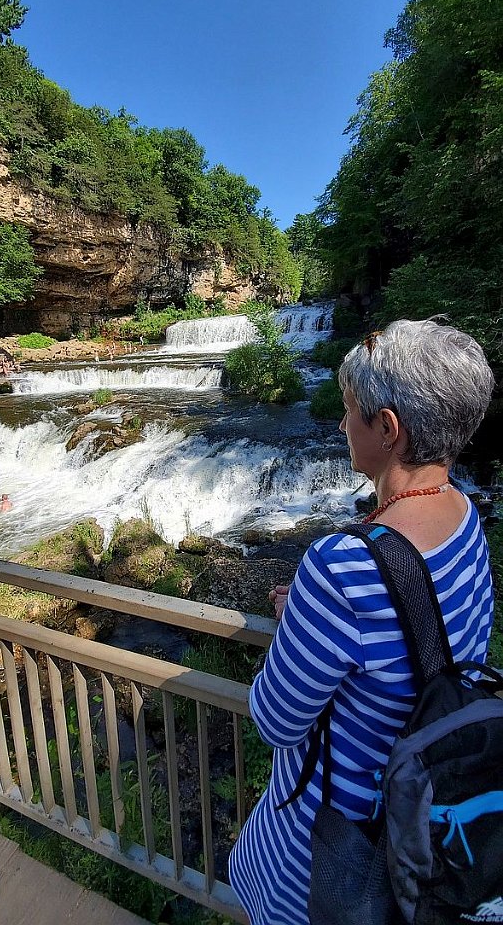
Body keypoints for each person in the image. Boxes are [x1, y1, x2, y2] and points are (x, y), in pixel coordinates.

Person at [229, 319, 495, 925]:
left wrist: (300, 615)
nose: (342, 424)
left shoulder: (344, 564)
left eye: (351, 411)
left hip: (334, 857)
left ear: (389, 428)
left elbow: (274, 720)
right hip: (418, 828)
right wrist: (316, 621)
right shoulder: (467, 518)